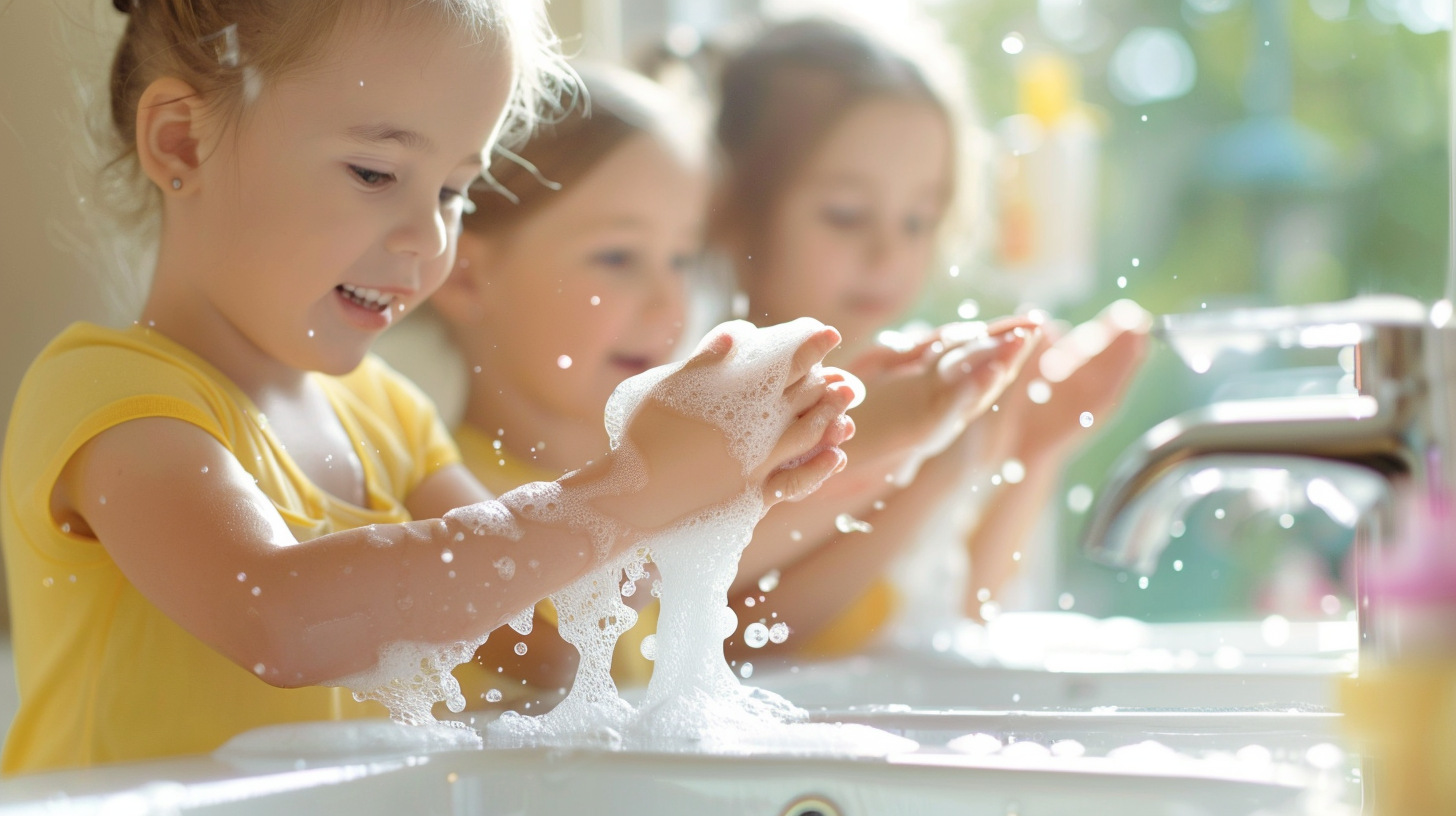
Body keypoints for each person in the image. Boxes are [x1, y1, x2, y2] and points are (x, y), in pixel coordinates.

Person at [0, 0, 853, 772]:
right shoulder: (110, 397)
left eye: (453, 190)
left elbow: (545, 636)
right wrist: (633, 486)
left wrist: (707, 496)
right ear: (181, 141)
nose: (425, 239)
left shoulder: (388, 416)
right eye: (375, 173)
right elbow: (280, 618)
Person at [708, 18, 1149, 656]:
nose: (890, 251)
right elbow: (731, 638)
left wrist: (1037, 445)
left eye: (919, 219)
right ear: (733, 205)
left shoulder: (888, 382)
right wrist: (934, 464)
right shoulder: (718, 408)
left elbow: (956, 612)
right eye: (847, 215)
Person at [429, 64, 707, 704]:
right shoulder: (434, 491)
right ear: (467, 277)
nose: (669, 303)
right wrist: (677, 479)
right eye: (617, 257)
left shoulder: (648, 492)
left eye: (682, 259)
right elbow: (568, 659)